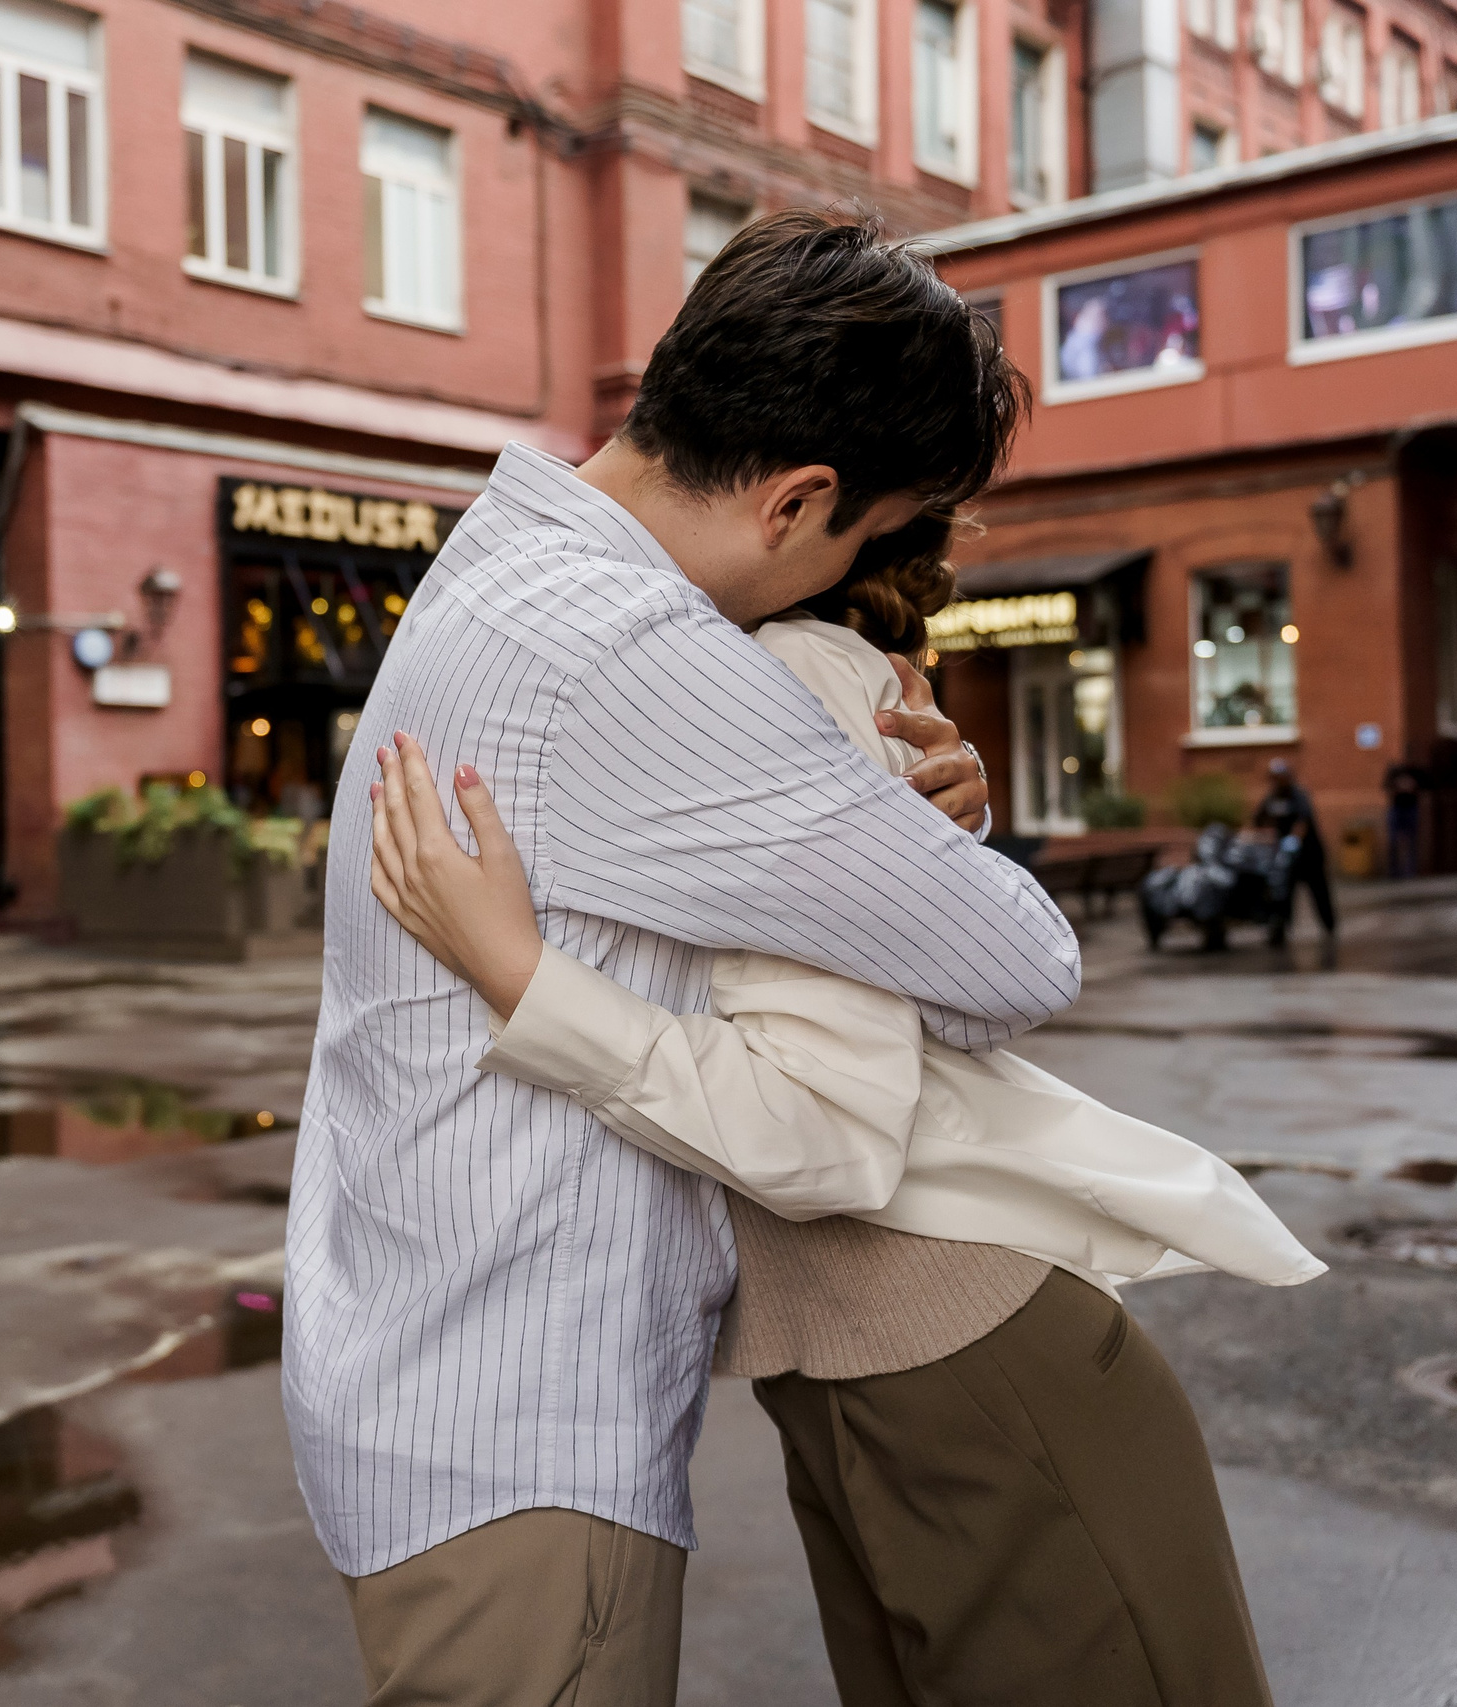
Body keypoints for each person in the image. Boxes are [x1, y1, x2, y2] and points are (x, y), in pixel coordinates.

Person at [282, 206, 1080, 1706]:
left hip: (422, 1387)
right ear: (798, 501)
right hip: (519, 1437)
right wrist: (928, 820)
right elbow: (1020, 959)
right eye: (876, 531)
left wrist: (900, 799)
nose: (871, 565)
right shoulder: (640, 654)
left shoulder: (504, 556)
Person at [366, 515, 1321, 1707]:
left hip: (961, 1366)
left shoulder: (794, 670)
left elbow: (820, 1131)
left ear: (812, 515)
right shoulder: (759, 680)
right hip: (884, 1377)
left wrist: (526, 983)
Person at [1255, 758, 1336, 936]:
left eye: (1280, 776)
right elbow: (1258, 819)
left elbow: (1303, 821)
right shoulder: (1272, 797)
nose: (1277, 780)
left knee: (1319, 891)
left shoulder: (1298, 795)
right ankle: (1280, 929)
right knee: (1282, 891)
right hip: (1286, 856)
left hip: (1309, 854)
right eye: (1274, 777)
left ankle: (1329, 926)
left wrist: (1293, 839)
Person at [1384, 759, 1427, 878]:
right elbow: (1386, 786)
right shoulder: (1394, 770)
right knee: (1393, 841)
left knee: (1412, 842)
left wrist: (1413, 785)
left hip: (1411, 808)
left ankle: (1410, 872)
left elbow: (1425, 785)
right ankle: (1394, 872)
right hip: (1396, 808)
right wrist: (1398, 786)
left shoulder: (1414, 771)